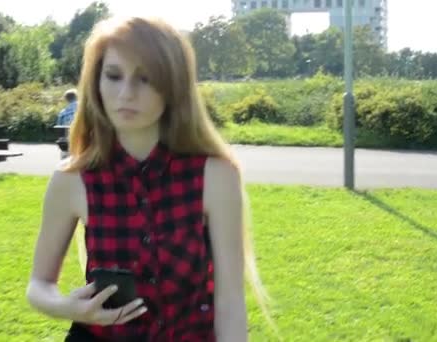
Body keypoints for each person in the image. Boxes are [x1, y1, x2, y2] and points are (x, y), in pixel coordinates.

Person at [26, 16, 268, 341]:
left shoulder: (215, 174)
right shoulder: (73, 179)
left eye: (145, 79)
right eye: (113, 76)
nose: (126, 93)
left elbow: (229, 301)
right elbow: (38, 286)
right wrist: (67, 307)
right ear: (95, 82)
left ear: (172, 86)